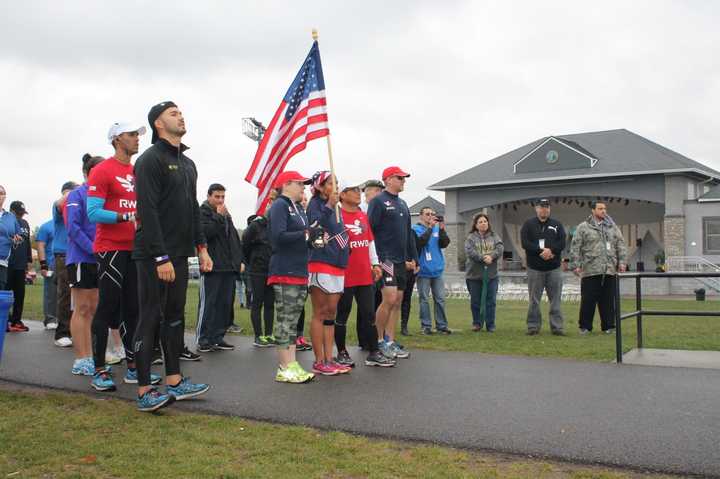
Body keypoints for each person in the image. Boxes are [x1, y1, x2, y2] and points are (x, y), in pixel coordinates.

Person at [132, 101, 212, 412]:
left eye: (181, 111)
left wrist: (201, 247)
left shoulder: (189, 164)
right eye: (173, 113)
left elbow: (192, 209)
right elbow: (147, 211)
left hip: (180, 254)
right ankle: (143, 390)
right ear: (158, 124)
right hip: (154, 255)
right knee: (150, 316)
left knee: (175, 317)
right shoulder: (149, 159)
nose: (181, 115)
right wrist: (160, 257)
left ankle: (175, 381)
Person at [86, 122, 163, 392]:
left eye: (137, 135)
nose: (137, 139)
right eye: (132, 135)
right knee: (108, 307)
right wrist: (125, 216)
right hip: (110, 247)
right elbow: (93, 212)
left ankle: (134, 368)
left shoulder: (137, 170)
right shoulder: (102, 170)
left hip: (136, 249)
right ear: (118, 139)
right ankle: (99, 369)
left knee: (134, 310)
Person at [335, 182, 395, 367]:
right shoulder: (336, 216)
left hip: (364, 274)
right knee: (342, 314)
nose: (357, 193)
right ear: (342, 195)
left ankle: (373, 351)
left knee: (369, 314)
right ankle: (342, 351)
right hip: (345, 274)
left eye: (358, 190)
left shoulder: (362, 214)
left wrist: (375, 263)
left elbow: (369, 242)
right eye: (353, 190)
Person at [267, 170, 317, 383]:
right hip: (284, 269)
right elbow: (277, 237)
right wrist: (306, 234)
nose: (303, 187)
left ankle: (292, 362)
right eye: (300, 183)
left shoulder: (299, 208)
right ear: (286, 184)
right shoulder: (280, 205)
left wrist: (314, 236)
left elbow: (302, 237)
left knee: (294, 320)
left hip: (299, 269)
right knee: (285, 319)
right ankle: (284, 365)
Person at [367, 166, 417, 360]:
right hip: (385, 258)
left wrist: (413, 257)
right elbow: (370, 230)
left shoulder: (403, 204)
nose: (403, 181)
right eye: (400, 177)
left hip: (401, 260)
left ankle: (390, 340)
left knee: (397, 301)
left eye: (404, 178)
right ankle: (378, 341)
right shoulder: (378, 202)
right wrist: (374, 260)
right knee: (388, 298)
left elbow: (408, 235)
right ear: (388, 179)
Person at [306, 171, 351, 376]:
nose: (336, 186)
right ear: (321, 187)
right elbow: (314, 225)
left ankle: (330, 358)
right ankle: (319, 360)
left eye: (337, 182)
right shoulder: (315, 204)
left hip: (338, 263)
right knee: (320, 311)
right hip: (320, 262)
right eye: (331, 183)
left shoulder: (338, 207)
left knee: (332, 312)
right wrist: (328, 206)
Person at [65, 154, 104, 376]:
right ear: (87, 173)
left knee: (93, 309)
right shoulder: (77, 194)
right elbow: (73, 227)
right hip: (82, 258)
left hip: (100, 258)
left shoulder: (103, 196)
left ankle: (91, 356)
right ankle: (81, 358)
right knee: (82, 308)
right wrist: (93, 248)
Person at [196, 183, 244, 352]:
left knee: (224, 305)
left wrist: (239, 260)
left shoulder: (226, 214)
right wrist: (217, 216)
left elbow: (234, 240)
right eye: (217, 196)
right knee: (209, 304)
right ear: (209, 196)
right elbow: (204, 233)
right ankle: (203, 338)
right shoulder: (203, 212)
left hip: (228, 267)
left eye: (223, 197)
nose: (220, 200)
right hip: (211, 266)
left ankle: (218, 337)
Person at [569, 200, 628, 335]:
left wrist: (622, 262)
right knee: (588, 300)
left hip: (609, 270)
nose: (603, 211)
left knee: (607, 300)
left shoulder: (612, 227)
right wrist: (575, 265)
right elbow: (575, 246)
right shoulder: (583, 227)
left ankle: (608, 326)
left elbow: (620, 244)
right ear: (593, 210)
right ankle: (585, 327)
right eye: (600, 208)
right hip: (590, 269)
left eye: (605, 208)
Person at [521, 199, 567, 336]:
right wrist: (540, 251)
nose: (544, 210)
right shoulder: (528, 224)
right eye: (541, 207)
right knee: (534, 299)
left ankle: (557, 328)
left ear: (549, 209)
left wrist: (551, 251)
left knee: (555, 299)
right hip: (535, 268)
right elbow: (525, 243)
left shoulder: (557, 225)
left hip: (554, 268)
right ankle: (533, 327)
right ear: (536, 209)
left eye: (547, 207)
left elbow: (562, 242)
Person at [242, 192, 276, 348]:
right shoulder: (255, 226)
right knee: (257, 303)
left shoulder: (277, 225)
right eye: (271, 204)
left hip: (273, 270)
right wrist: (251, 262)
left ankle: (269, 335)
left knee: (270, 304)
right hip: (257, 270)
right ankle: (258, 336)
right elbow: (245, 246)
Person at [412, 207, 451, 335]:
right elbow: (420, 243)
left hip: (437, 269)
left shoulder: (436, 228)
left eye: (433, 214)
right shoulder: (415, 229)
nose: (431, 216)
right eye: (428, 214)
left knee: (440, 299)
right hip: (423, 270)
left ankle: (441, 325)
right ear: (421, 216)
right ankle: (426, 326)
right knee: (424, 299)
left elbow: (444, 243)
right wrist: (430, 228)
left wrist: (442, 229)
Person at [464, 213, 504, 332]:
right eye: (480, 222)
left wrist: (492, 257)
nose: (483, 224)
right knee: (476, 301)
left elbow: (500, 248)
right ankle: (477, 323)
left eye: (485, 221)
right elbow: (470, 251)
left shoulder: (494, 236)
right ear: (476, 225)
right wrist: (483, 258)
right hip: (474, 276)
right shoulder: (470, 237)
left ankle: (490, 324)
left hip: (491, 275)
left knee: (490, 301)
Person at [52, 181, 78, 347]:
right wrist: (79, 189)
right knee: (66, 294)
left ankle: (75, 331)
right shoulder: (59, 205)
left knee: (80, 295)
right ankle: (62, 332)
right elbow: (60, 202)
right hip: (63, 253)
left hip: (78, 253)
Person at [6, 201, 32, 332]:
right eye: (18, 214)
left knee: (20, 294)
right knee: (5, 293)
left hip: (20, 265)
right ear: (12, 211)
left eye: (22, 213)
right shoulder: (5, 222)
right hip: (7, 264)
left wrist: (28, 260)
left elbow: (27, 242)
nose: (21, 216)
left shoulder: (25, 223)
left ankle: (16, 320)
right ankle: (4, 320)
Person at [36, 219, 58, 329]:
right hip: (51, 263)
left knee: (67, 293)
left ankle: (63, 320)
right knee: (51, 292)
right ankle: (50, 318)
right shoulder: (46, 226)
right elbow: (40, 245)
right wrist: (43, 264)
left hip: (68, 262)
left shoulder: (69, 224)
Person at [0, 185, 20, 293]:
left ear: (5, 197)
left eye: (2, 193)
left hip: (2, 261)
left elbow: (18, 236)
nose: (0, 196)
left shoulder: (11, 217)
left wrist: (17, 239)